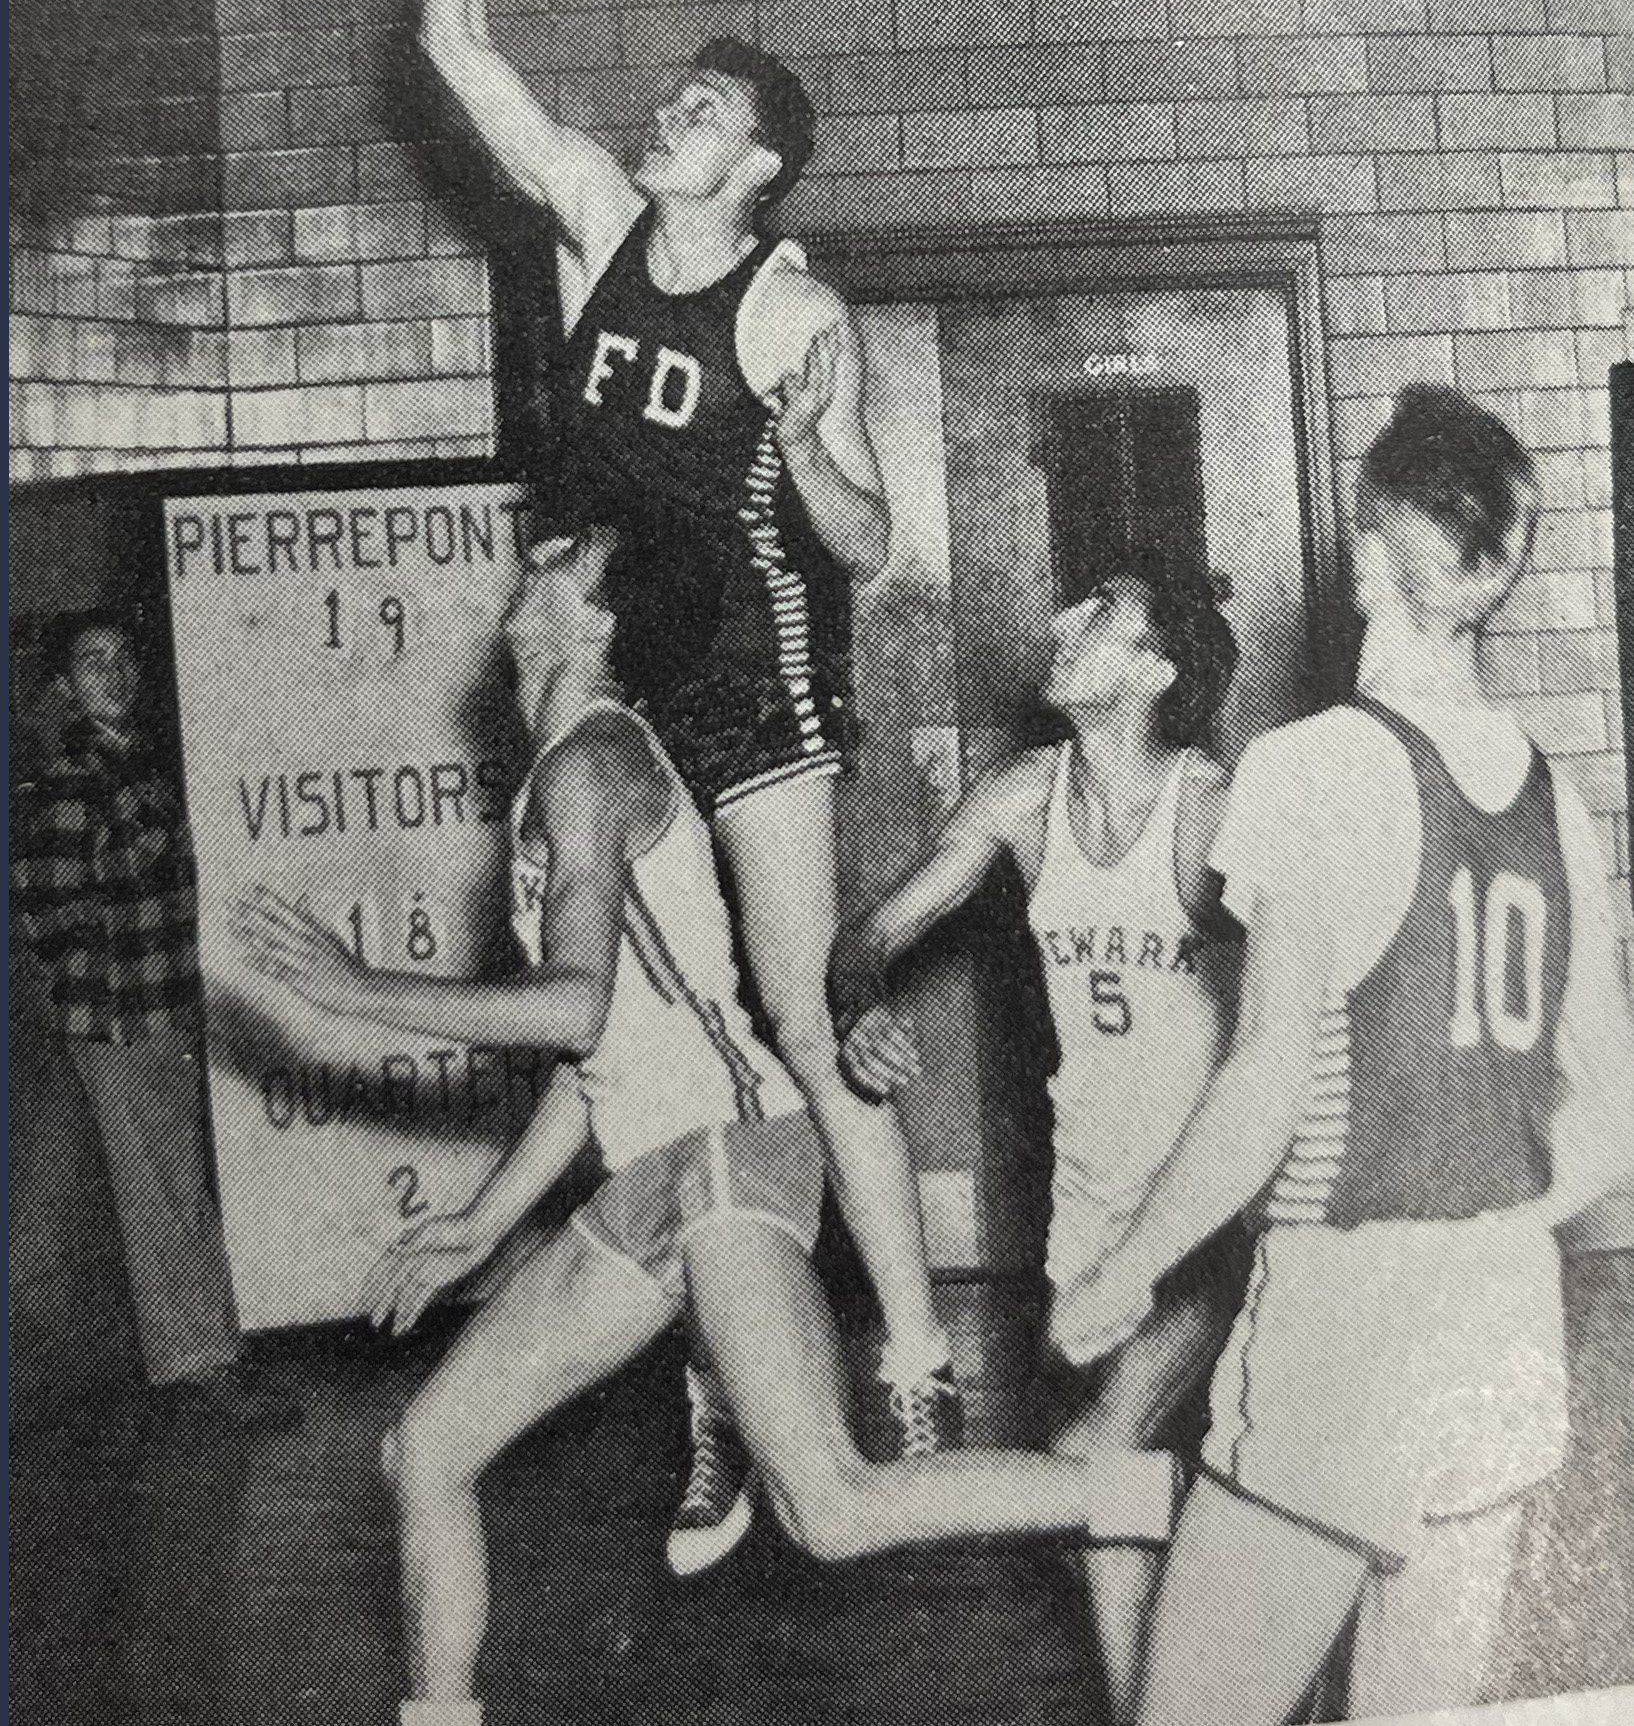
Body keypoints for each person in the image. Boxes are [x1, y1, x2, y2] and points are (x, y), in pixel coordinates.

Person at [234, 531, 1182, 1726]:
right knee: (422, 1452)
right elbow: (598, 1053)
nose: (535, 558)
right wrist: (481, 1222)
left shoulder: (591, 769)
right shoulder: (564, 772)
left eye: (567, 561)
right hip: (652, 1168)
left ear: (598, 626)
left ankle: (1124, 1489)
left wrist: (350, 989)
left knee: (827, 1507)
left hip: (729, 1150)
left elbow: (568, 1004)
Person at [419, 0, 958, 1557]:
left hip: (757, 676)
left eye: (706, 109)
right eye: (670, 97)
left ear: (764, 162)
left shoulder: (791, 301)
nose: (668, 114)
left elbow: (872, 546)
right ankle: (724, 1384)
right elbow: (454, 51)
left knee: (797, 1016)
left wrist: (809, 444)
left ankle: (907, 1354)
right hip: (636, 681)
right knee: (658, 1055)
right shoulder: (590, 226)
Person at [1051, 387, 1634, 1724]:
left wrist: (1123, 1266)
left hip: (1344, 1326)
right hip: (1500, 1330)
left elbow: (1261, 1087)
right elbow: (1607, 1118)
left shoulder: (1310, 768)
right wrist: (1477, 1214)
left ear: (1367, 554)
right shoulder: (1558, 798)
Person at [833, 553, 1249, 1725]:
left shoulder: (1207, 812)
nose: (1061, 621)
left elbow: (1311, 994)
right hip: (1084, 1220)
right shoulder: (1023, 798)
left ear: (1154, 670)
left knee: (1090, 1449)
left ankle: (867, 1506)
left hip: (1202, 1223)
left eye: (1101, 614)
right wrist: (862, 1003)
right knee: (1109, 1508)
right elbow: (866, 933)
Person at [9, 609, 298, 1432]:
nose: (116, 673)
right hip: (123, 1016)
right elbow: (49, 909)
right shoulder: (73, 775)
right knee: (161, 1192)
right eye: (93, 663)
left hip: (162, 1005)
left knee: (179, 1184)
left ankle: (210, 1357)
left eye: (123, 658)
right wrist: (105, 1006)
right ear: (65, 687)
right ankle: (198, 1369)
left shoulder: (132, 763)